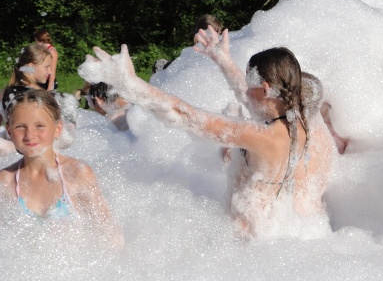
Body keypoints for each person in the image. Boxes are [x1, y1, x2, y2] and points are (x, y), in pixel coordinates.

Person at [79, 37, 333, 239]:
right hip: (280, 235)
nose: (245, 92)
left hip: (249, 242)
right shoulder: (301, 122)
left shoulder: (262, 136)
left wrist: (130, 85)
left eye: (250, 86)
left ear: (266, 89)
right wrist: (223, 60)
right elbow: (252, 98)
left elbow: (185, 115)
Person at [0, 89, 117, 236]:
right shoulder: (5, 181)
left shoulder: (76, 173)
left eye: (39, 125)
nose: (29, 135)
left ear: (57, 128)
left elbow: (110, 235)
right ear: (9, 131)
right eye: (20, 126)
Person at [4, 45, 77, 149]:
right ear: (31, 66)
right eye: (47, 67)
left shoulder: (13, 91)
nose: (50, 71)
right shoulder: (28, 95)